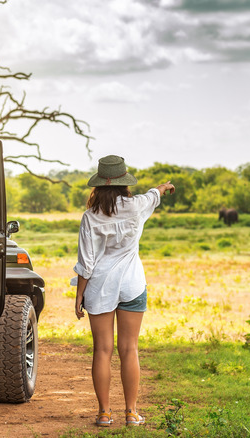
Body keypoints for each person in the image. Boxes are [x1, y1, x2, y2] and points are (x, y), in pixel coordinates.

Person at [72, 155, 175, 427]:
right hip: (132, 284)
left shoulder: (89, 217)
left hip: (99, 287)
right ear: (124, 183)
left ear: (98, 186)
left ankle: (104, 413)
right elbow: (153, 195)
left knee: (102, 350)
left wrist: (79, 296)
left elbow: (86, 262)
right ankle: (131, 413)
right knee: (129, 349)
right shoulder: (137, 206)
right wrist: (163, 187)